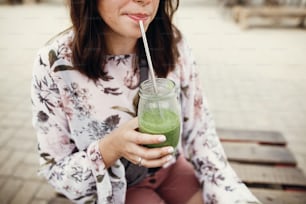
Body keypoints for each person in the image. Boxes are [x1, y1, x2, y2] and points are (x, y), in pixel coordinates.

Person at [31, 0, 261, 203]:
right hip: (116, 187)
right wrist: (110, 148)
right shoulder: (55, 63)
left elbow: (201, 133)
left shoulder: (173, 44)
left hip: (171, 169)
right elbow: (56, 171)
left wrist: (235, 196)